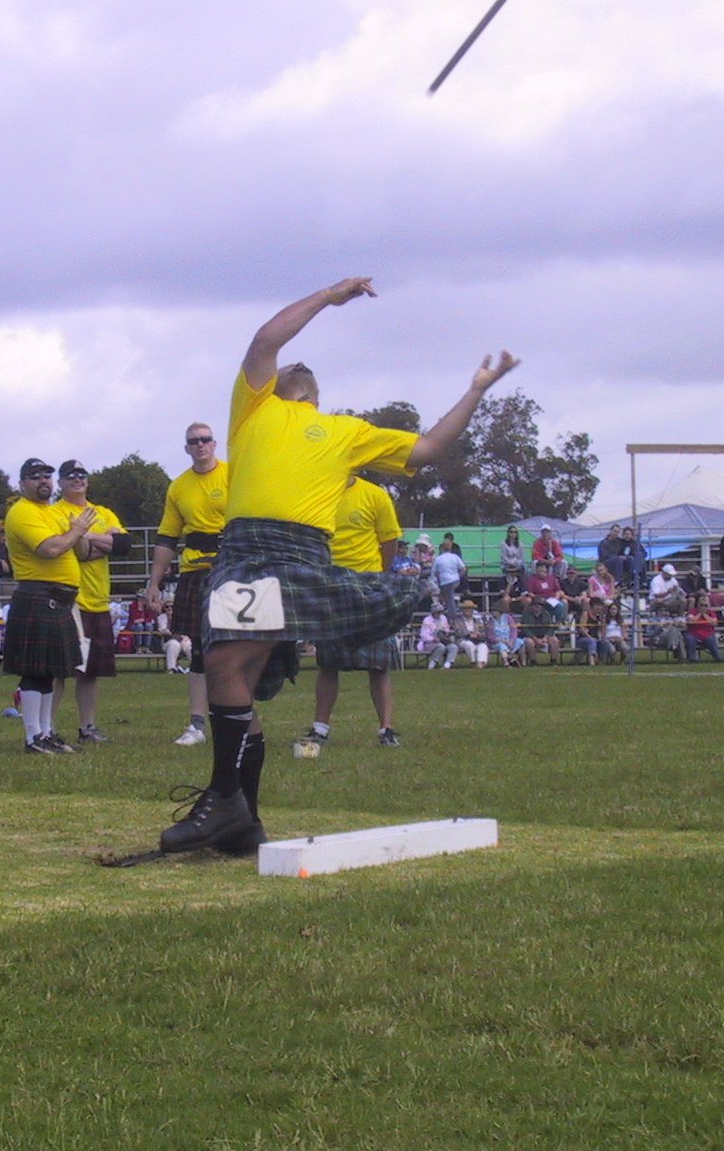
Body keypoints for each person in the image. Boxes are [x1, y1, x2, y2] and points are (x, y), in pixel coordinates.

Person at [156, 278, 517, 856]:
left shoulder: (343, 430)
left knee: (224, 664)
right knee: (233, 678)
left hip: (295, 554)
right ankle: (243, 821)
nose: (287, 366)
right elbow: (266, 339)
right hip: (242, 551)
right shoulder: (255, 407)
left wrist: (476, 390)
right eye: (282, 366)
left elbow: (427, 449)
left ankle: (225, 800)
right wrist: (328, 297)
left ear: (312, 393)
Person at [300, 474, 407, 749]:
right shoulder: (318, 493)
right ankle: (320, 728)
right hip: (332, 584)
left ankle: (386, 728)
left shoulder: (375, 495)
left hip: (369, 585)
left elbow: (389, 541)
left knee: (379, 664)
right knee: (328, 662)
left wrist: (379, 576)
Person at [142, 421, 229, 747]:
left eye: (205, 439)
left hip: (230, 570)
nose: (200, 444)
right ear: (187, 448)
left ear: (214, 443)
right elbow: (167, 538)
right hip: (194, 571)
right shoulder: (178, 487)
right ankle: (196, 725)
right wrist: (154, 582)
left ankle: (235, 720)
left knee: (233, 650)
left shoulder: (233, 475)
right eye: (194, 441)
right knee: (200, 652)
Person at [3, 457, 98, 754]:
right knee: (35, 671)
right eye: (35, 477)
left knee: (48, 670)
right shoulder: (22, 512)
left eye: (47, 476)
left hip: (58, 599)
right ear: (22, 484)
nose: (43, 481)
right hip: (38, 595)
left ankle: (46, 733)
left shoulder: (53, 513)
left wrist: (78, 531)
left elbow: (81, 552)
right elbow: (51, 548)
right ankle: (33, 737)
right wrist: (75, 531)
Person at [56, 459, 129, 742]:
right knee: (58, 670)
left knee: (90, 672)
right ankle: (46, 729)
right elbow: (79, 552)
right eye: (70, 476)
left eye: (82, 475)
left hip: (99, 600)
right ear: (61, 482)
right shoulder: (56, 512)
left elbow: (124, 545)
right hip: (70, 599)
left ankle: (87, 727)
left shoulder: (103, 512)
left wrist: (85, 534)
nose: (77, 480)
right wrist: (102, 543)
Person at [499, 526, 524, 592]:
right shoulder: (503, 544)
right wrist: (511, 562)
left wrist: (515, 563)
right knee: (507, 569)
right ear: (508, 533)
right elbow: (504, 557)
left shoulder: (520, 544)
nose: (513, 534)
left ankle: (522, 588)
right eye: (511, 532)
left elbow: (521, 558)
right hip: (506, 565)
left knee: (524, 567)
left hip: (517, 565)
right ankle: (505, 588)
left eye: (515, 532)